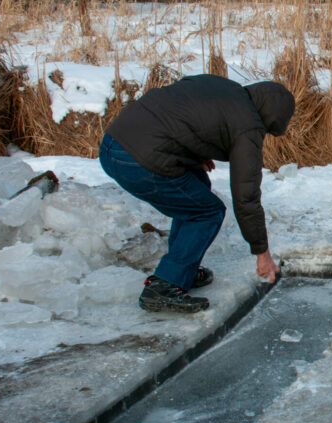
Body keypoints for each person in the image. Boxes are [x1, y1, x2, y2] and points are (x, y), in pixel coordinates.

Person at [99, 74, 294, 313]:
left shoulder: (225, 88)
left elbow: (180, 114)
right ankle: (164, 286)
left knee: (196, 186)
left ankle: (182, 268)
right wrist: (262, 252)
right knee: (207, 211)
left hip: (113, 142)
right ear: (270, 118)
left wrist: (191, 155)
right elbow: (246, 197)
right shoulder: (248, 125)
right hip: (136, 159)